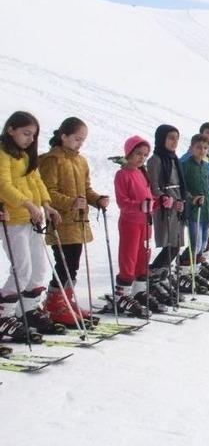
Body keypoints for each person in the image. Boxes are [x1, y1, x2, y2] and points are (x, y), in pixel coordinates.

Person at [38, 117, 110, 328]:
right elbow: (47, 192)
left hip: (78, 221)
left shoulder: (81, 161)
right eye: (77, 139)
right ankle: (54, 304)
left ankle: (64, 300)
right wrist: (71, 202)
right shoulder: (52, 160)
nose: (80, 143)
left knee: (73, 264)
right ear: (64, 136)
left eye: (83, 140)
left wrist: (97, 199)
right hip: (61, 221)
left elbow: (86, 189)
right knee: (64, 264)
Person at [0, 111, 63, 340]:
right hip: (13, 220)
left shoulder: (26, 156)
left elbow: (36, 181)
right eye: (25, 133)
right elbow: (4, 186)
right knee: (22, 270)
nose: (29, 139)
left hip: (33, 219)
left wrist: (46, 205)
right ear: (10, 130)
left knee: (38, 270)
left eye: (33, 135)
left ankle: (26, 310)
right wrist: (27, 204)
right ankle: (3, 315)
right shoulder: (3, 154)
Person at [110, 136, 152, 318]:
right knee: (129, 256)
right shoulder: (122, 174)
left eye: (144, 155)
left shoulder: (142, 172)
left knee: (143, 255)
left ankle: (139, 290)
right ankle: (122, 294)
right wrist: (139, 206)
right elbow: (122, 201)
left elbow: (149, 198)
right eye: (138, 154)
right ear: (128, 153)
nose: (141, 158)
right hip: (130, 222)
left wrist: (161, 202)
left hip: (145, 221)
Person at [146, 124, 188, 308]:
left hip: (178, 205)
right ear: (161, 138)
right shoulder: (156, 159)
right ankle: (154, 276)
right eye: (170, 138)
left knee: (176, 243)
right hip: (166, 207)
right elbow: (154, 186)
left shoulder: (173, 158)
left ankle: (159, 275)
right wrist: (168, 199)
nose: (174, 142)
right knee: (171, 243)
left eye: (176, 138)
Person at [179, 134, 209, 289]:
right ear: (192, 148)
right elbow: (182, 187)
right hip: (194, 210)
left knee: (203, 244)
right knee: (195, 242)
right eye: (199, 147)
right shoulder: (186, 165)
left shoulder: (206, 166)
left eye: (205, 148)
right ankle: (184, 272)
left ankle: (195, 272)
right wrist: (191, 198)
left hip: (207, 209)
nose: (202, 151)